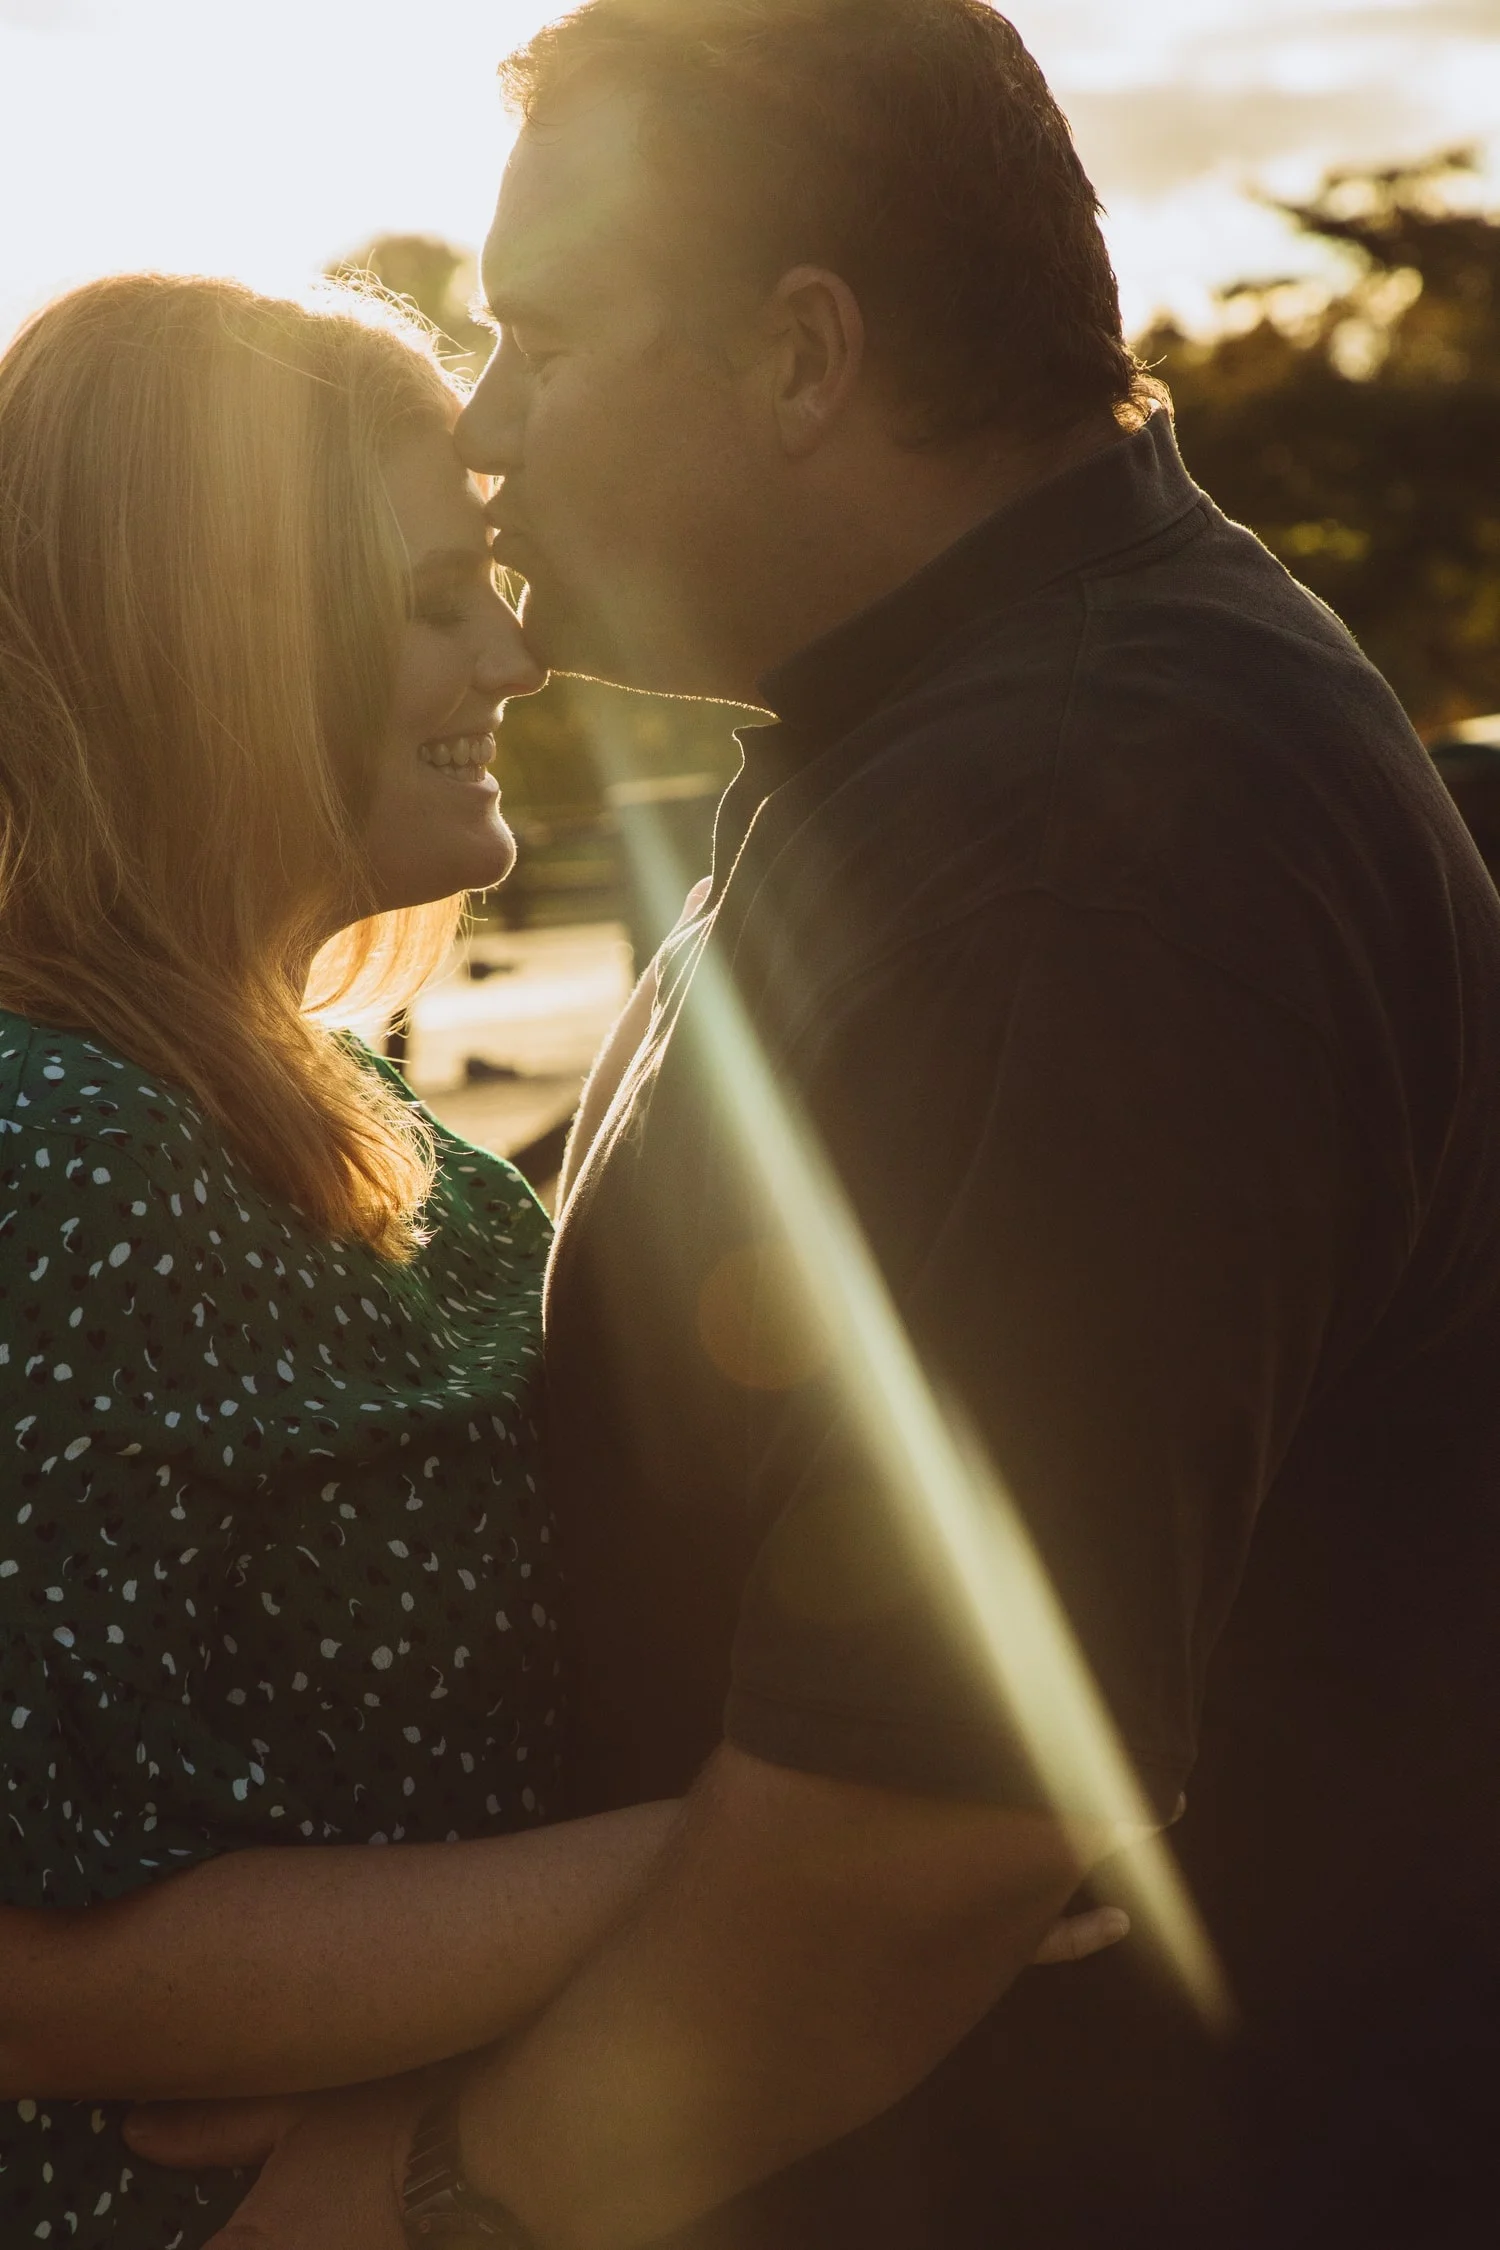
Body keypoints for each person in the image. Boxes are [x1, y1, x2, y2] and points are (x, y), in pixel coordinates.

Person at [130, 2, 1500, 2245]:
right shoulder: (934, 742)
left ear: (801, 358)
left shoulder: (1084, 846)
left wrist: (425, 2203)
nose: (484, 426)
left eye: (545, 338)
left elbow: (925, 1822)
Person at [0, 271, 694, 2248]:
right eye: (427, 597)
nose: (515, 649)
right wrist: (814, 1858)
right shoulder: (54, 1158)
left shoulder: (371, 1135)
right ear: (209, 644)